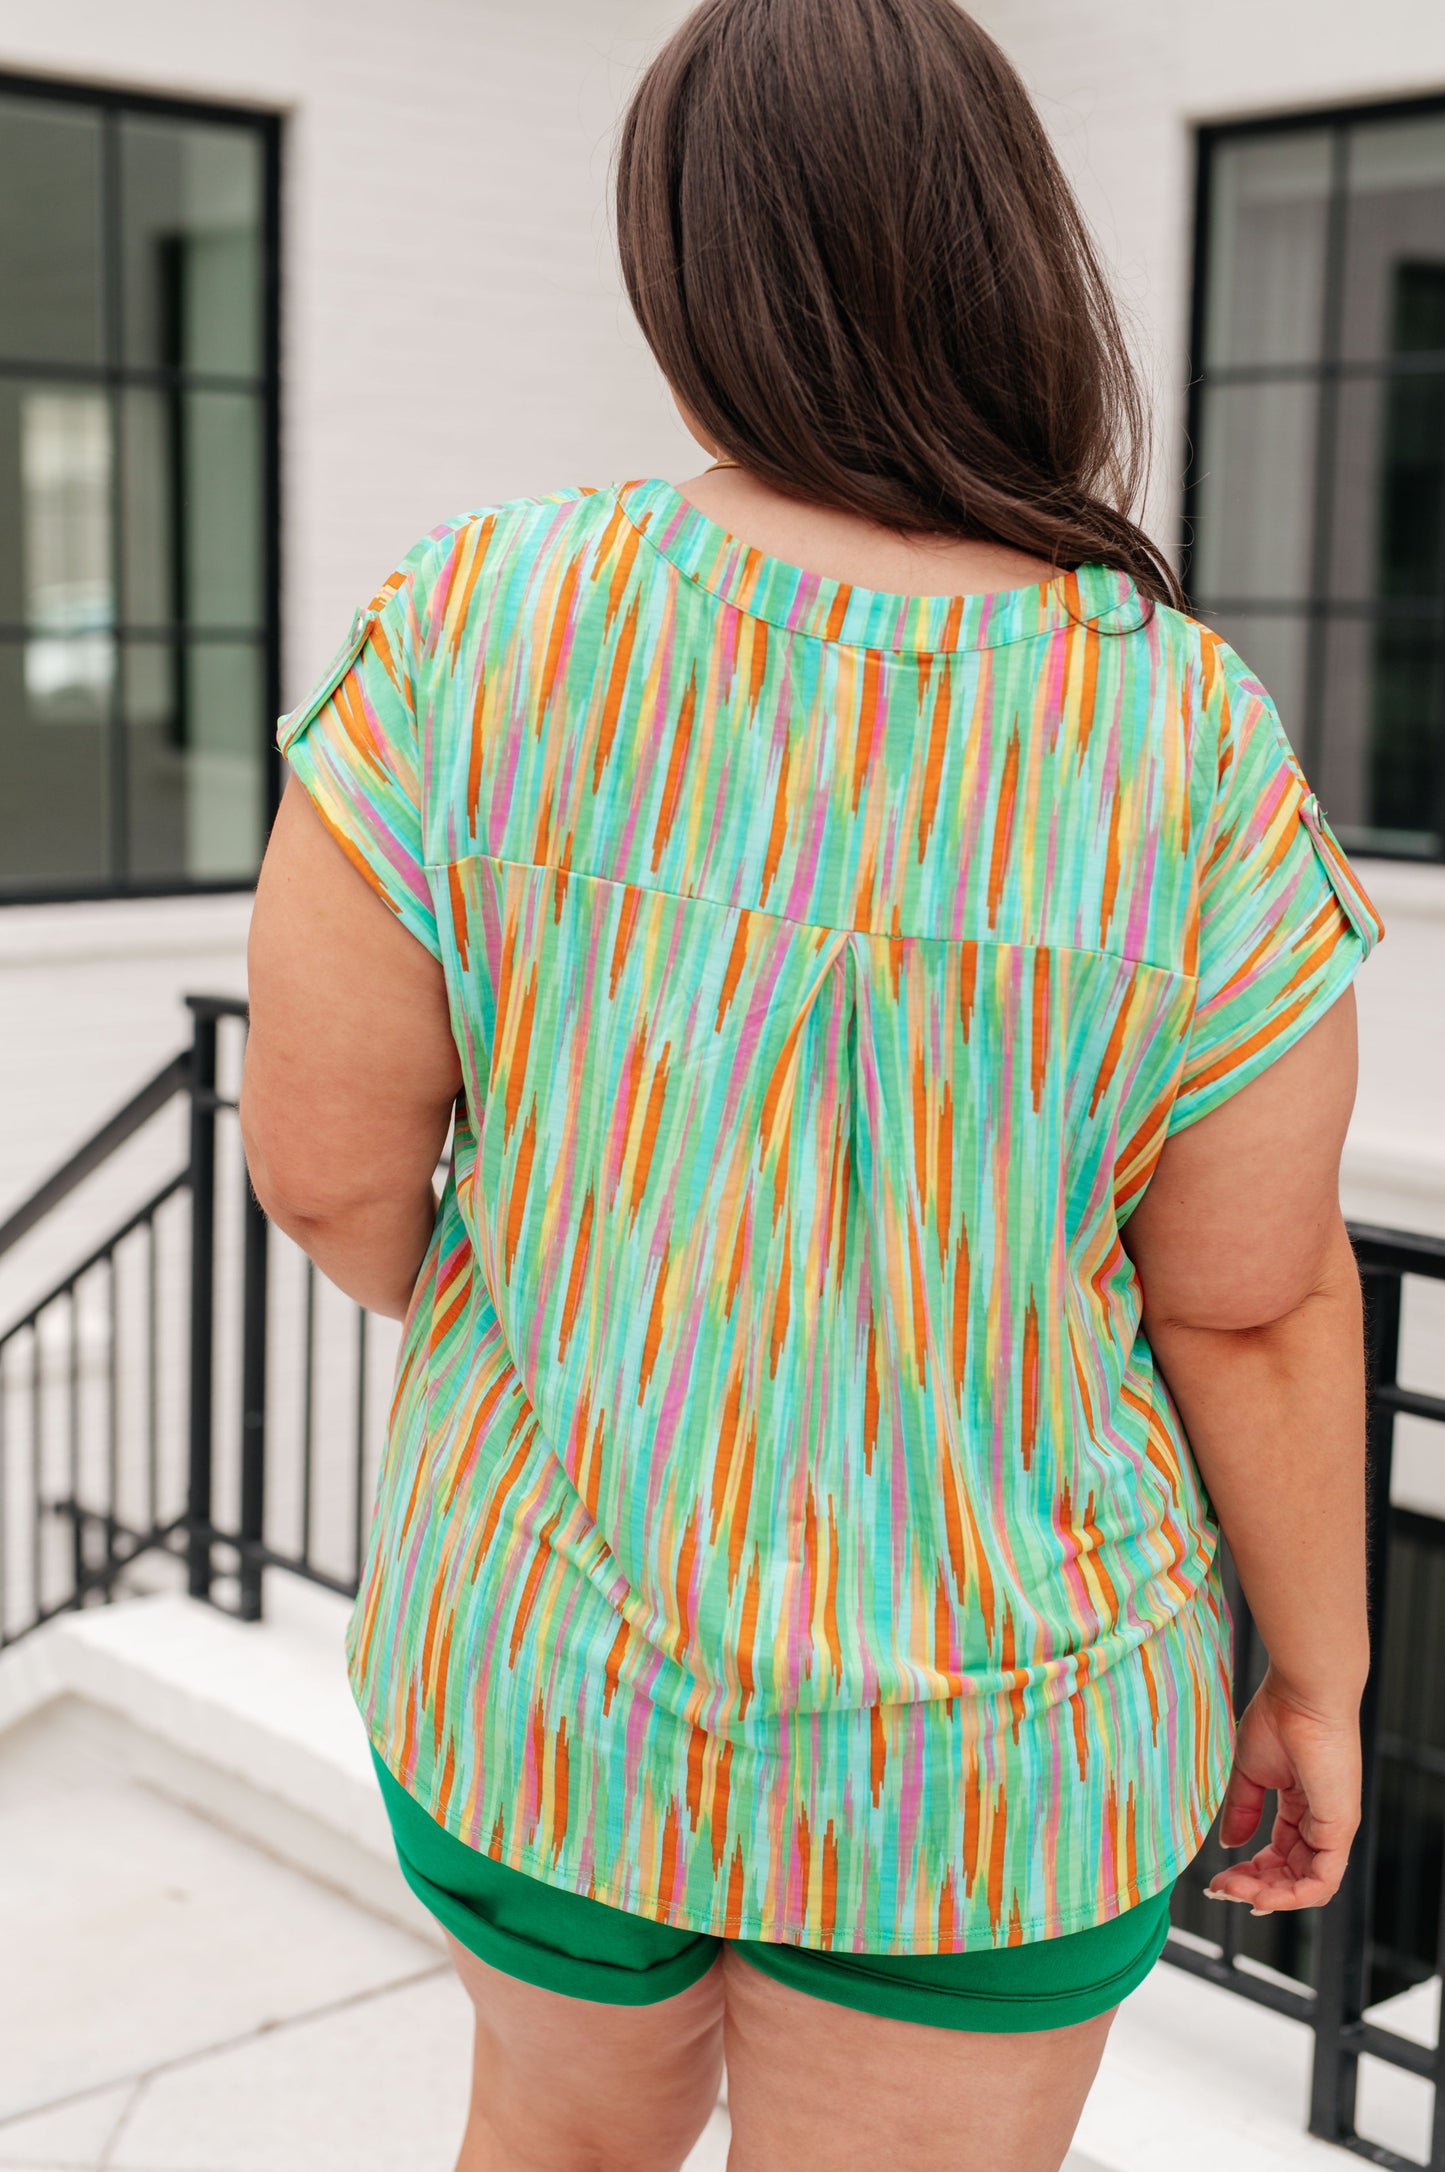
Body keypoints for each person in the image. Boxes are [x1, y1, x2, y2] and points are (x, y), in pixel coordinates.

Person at [239, 1, 1384, 2165]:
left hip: (550, 1667)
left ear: (687, 273)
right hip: (1005, 1752)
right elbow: (1251, 1298)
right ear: (1012, 260)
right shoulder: (1187, 742)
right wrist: (1318, 1676)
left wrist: (586, 1314)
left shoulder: (485, 626)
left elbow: (323, 1177)